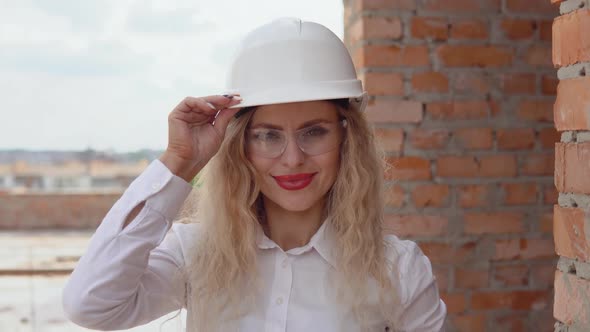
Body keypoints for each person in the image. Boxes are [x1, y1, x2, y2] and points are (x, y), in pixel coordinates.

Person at [62, 17, 446, 332]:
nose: (292, 158)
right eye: (267, 135)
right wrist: (180, 160)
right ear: (240, 146)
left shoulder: (398, 268)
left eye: (314, 132)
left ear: (348, 139)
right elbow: (91, 305)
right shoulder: (196, 252)